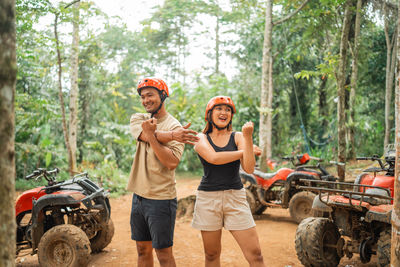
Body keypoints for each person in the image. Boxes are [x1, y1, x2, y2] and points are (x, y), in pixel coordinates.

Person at [127, 77, 198, 267]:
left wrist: (152, 135)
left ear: (163, 96)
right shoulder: (139, 118)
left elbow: (171, 162)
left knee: (164, 254)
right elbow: (142, 133)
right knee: (142, 250)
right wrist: (171, 136)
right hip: (139, 197)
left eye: (150, 95)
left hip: (161, 199)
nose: (145, 100)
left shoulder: (174, 125)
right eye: (142, 97)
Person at [192, 96, 265, 267]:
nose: (224, 112)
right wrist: (246, 151)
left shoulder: (239, 136)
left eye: (228, 110)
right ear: (209, 114)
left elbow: (249, 168)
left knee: (256, 255)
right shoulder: (200, 138)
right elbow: (214, 158)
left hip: (235, 198)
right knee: (211, 254)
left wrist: (247, 139)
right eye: (219, 109)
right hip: (207, 199)